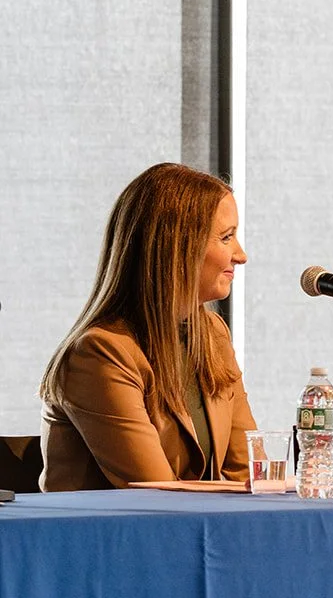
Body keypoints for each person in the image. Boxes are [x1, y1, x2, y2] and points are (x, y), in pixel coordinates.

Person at [40, 163, 255, 490]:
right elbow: (157, 493)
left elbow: (251, 472)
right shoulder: (100, 352)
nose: (241, 255)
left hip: (196, 520)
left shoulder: (212, 333)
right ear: (177, 248)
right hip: (121, 525)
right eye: (226, 237)